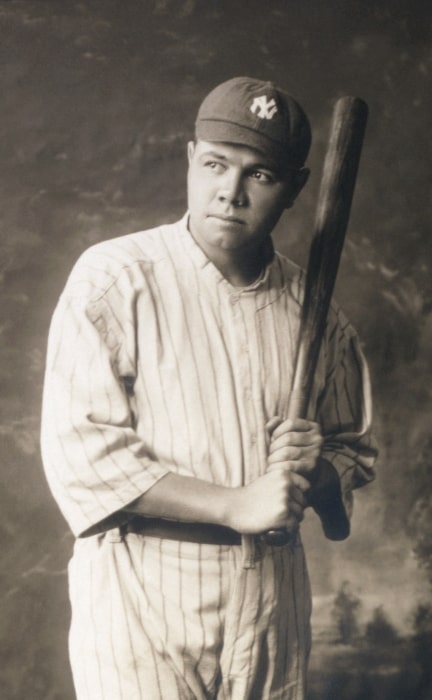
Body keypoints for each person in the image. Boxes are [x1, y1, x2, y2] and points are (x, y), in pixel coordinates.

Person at [41, 76, 377, 700]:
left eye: (262, 175)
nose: (231, 192)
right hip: (143, 589)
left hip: (273, 597)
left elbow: (351, 454)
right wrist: (236, 503)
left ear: (295, 189)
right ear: (191, 159)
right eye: (218, 164)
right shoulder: (117, 278)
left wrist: (312, 474)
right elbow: (84, 457)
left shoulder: (319, 312)